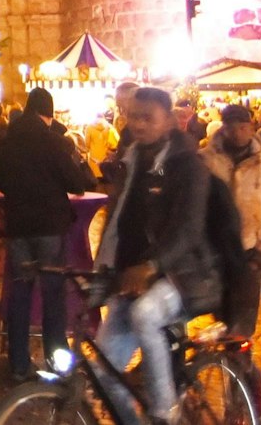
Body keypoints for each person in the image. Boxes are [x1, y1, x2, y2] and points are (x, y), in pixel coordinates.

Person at [93, 87, 220, 425]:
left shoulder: (187, 164)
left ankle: (166, 411)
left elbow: (189, 227)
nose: (138, 123)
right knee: (104, 374)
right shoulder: (131, 160)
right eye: (133, 115)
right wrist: (103, 270)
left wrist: (152, 265)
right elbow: (118, 220)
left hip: (181, 274)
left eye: (147, 117)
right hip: (130, 277)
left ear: (169, 121)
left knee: (146, 315)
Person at [0, 86, 98, 381]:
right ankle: (57, 359)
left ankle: (17, 364)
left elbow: (0, 180)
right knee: (53, 294)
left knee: (20, 294)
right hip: (50, 228)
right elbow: (77, 184)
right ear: (48, 114)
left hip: (18, 228)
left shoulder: (7, 142)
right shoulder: (53, 143)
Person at [201, 103, 261, 336]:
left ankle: (242, 370)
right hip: (211, 256)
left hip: (249, 256)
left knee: (241, 331)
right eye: (232, 127)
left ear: (251, 128)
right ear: (224, 129)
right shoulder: (204, 162)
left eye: (243, 127)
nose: (238, 133)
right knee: (216, 324)